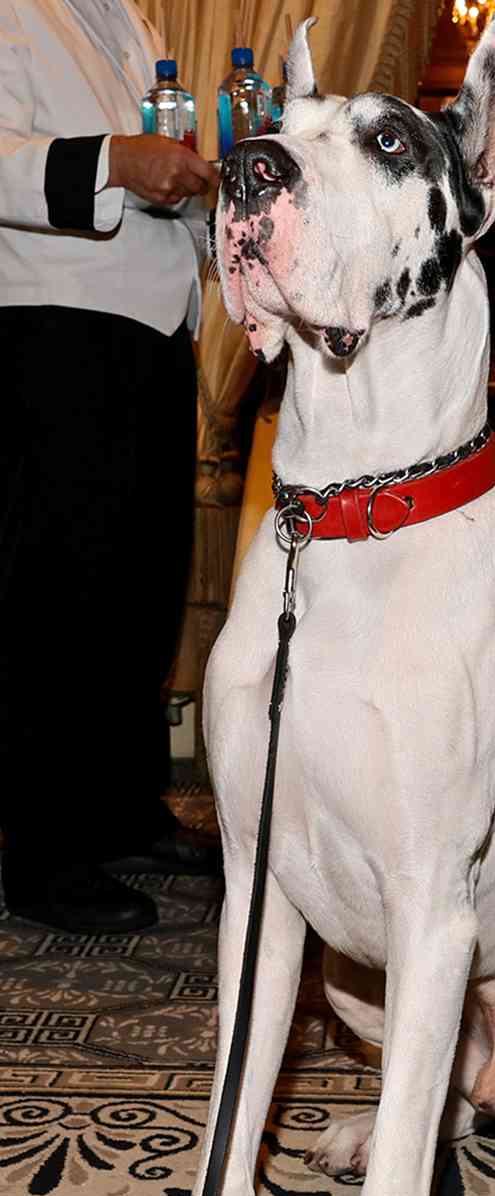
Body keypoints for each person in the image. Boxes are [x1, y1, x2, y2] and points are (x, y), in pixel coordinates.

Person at [0, 0, 220, 935]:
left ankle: (119, 809)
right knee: (61, 592)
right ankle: (46, 855)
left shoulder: (132, 16)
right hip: (51, 325)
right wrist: (109, 162)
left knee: (138, 587)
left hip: (156, 327)